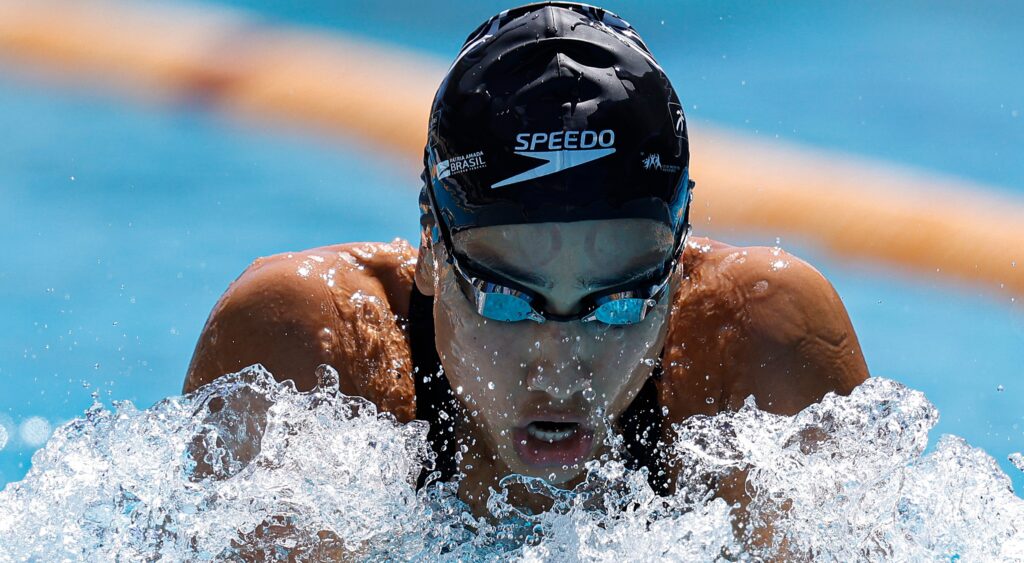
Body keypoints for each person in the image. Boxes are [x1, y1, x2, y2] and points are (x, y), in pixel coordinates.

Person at [183, 2, 868, 521]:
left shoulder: (757, 343)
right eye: (507, 301)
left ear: (673, 270)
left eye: (619, 305)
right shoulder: (315, 351)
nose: (560, 362)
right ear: (431, 248)